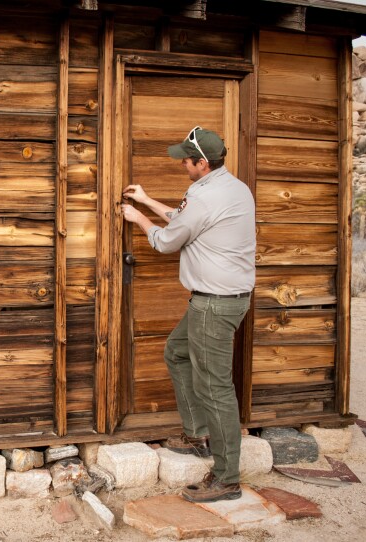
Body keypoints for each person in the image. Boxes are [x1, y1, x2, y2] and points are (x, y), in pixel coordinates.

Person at [121, 126, 255, 503]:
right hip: (218, 300)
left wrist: (138, 219)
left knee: (216, 387)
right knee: (177, 352)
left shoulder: (207, 198)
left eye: (186, 158)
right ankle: (198, 432)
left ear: (202, 163)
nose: (182, 162)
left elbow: (167, 240)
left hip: (214, 303)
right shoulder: (231, 187)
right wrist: (147, 200)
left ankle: (227, 477)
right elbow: (185, 218)